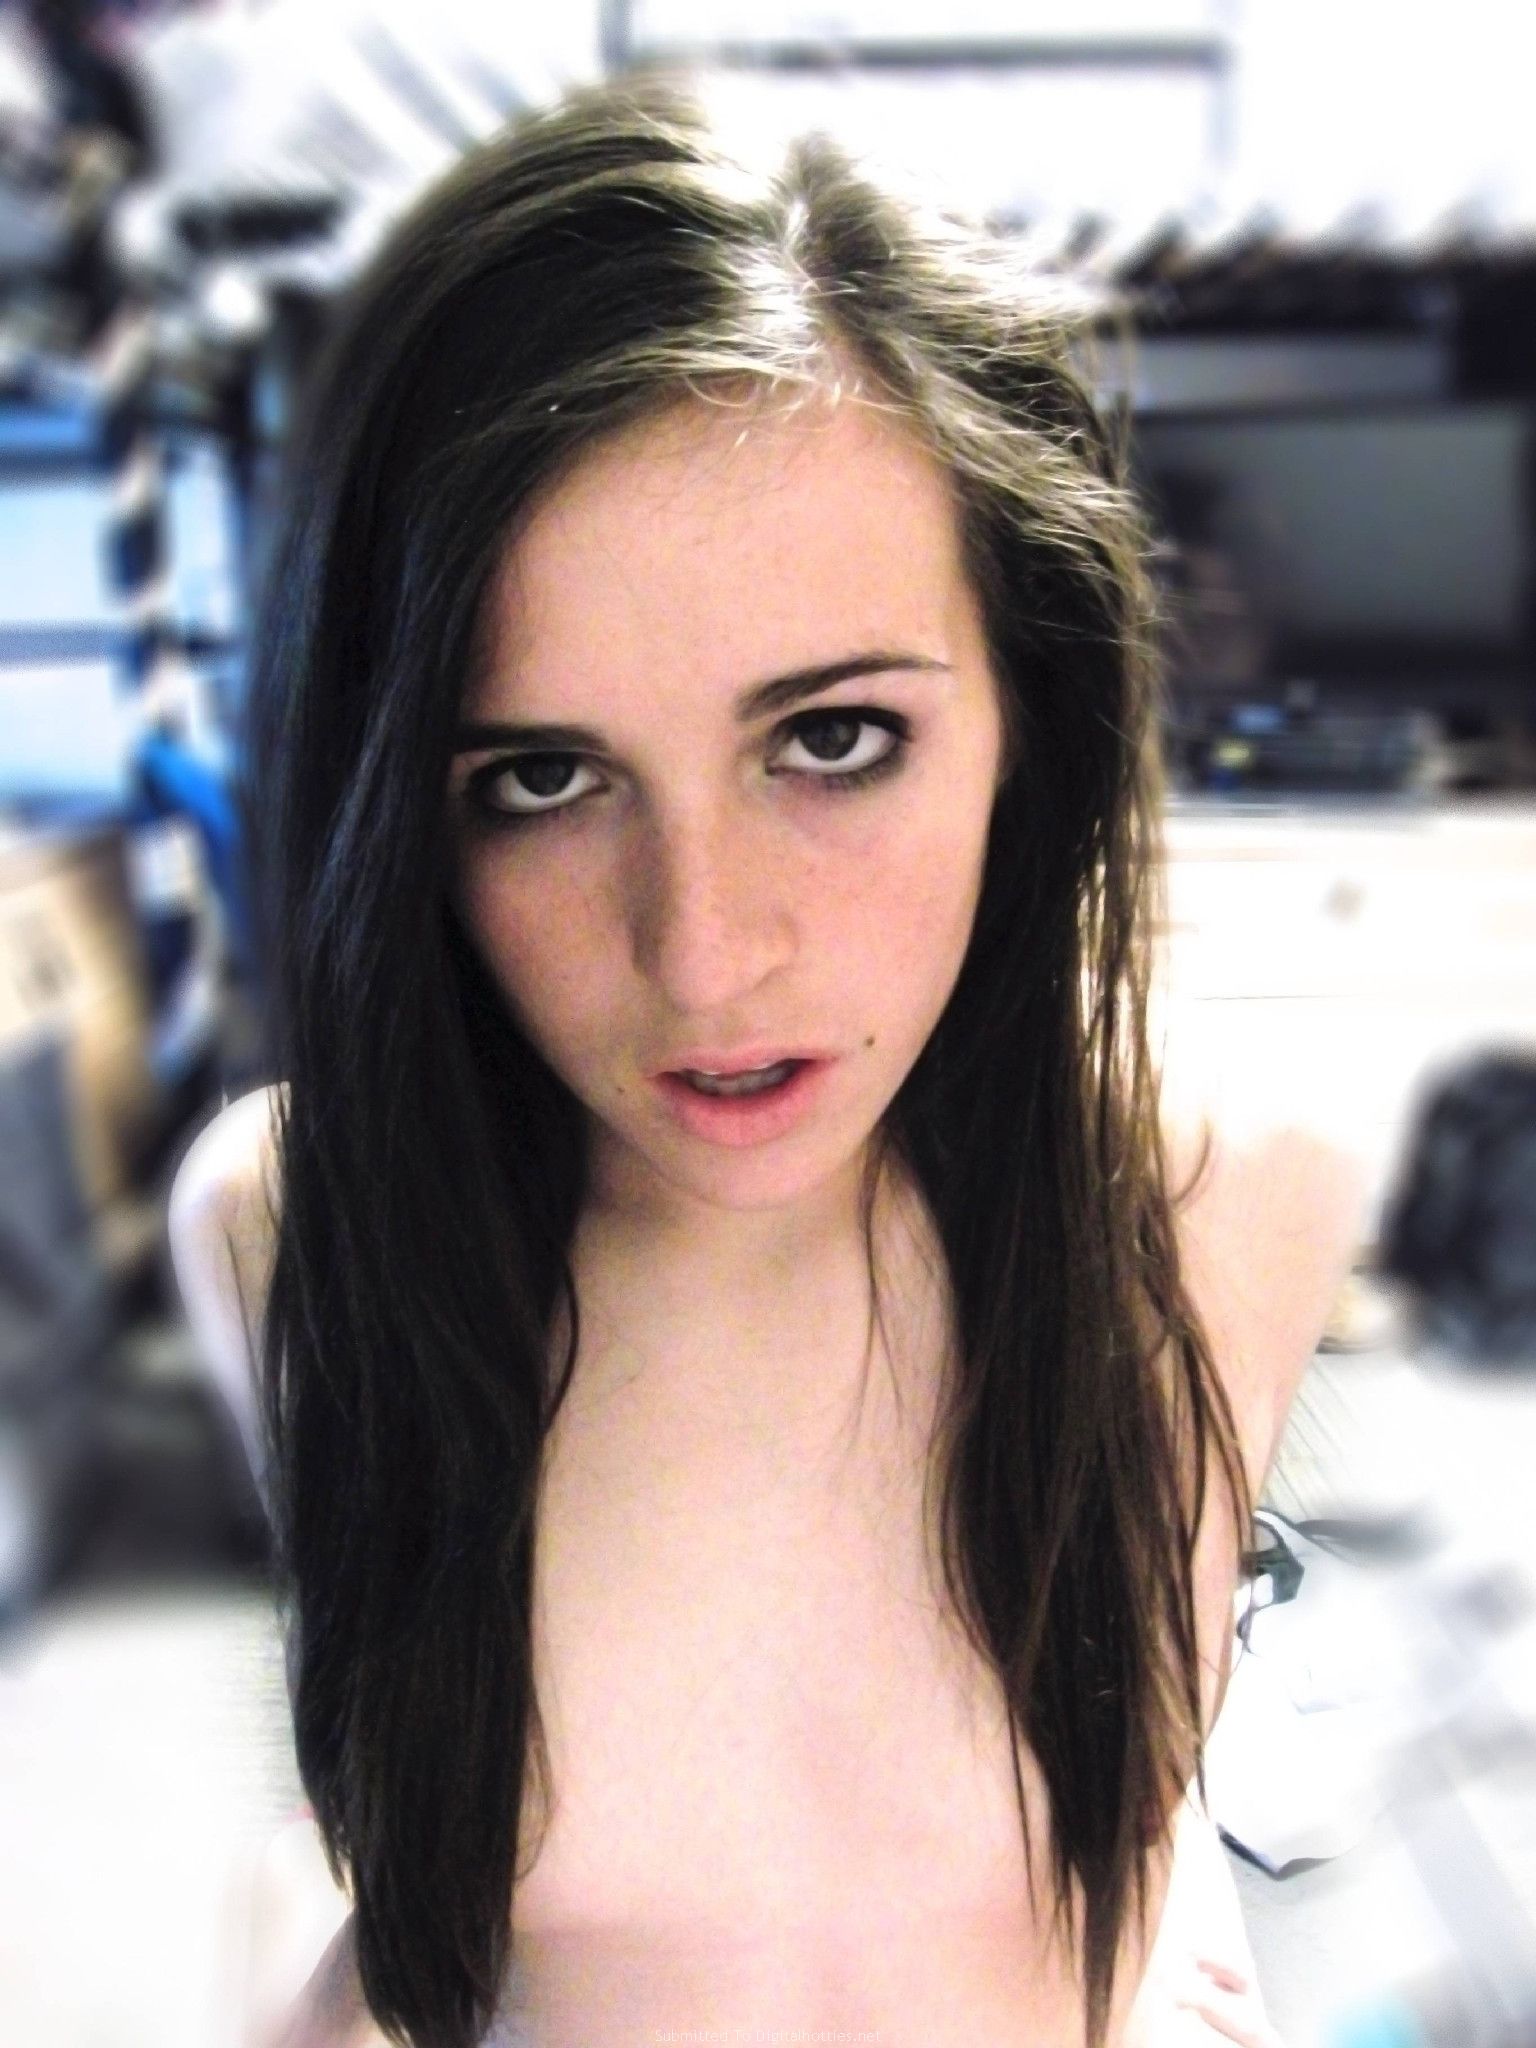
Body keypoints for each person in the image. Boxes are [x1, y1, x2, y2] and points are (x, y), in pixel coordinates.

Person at [168, 75, 1366, 2048]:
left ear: (1030, 716)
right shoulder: (299, 1220)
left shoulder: (1218, 1194)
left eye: (831, 741)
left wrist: (1167, 1962)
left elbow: (1122, 1833)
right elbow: (431, 1911)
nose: (703, 954)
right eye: (540, 778)